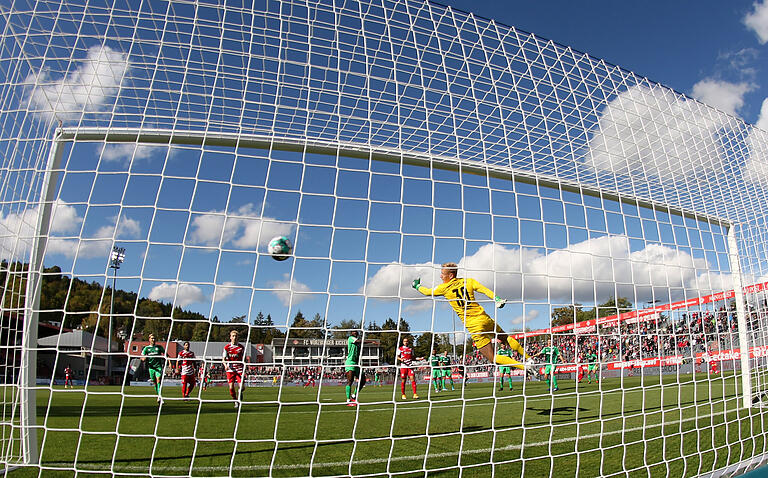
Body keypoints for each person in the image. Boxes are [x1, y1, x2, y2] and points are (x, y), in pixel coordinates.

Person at [413, 263, 533, 375]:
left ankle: (524, 366)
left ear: (451, 275)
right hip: (485, 318)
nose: (440, 276)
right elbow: (484, 290)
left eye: (442, 274)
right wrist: (496, 298)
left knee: (493, 358)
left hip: (475, 326)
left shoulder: (444, 288)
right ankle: (529, 358)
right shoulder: (468, 281)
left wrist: (417, 286)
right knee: (505, 338)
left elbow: (428, 292)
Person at [345, 330, 368, 406]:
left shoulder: (357, 344)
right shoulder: (351, 338)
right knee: (350, 381)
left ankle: (354, 395)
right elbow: (358, 341)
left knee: (363, 380)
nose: (355, 333)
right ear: (351, 333)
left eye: (356, 332)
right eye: (353, 332)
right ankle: (348, 400)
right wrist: (371, 341)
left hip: (356, 364)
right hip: (350, 363)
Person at [223, 330, 245, 407]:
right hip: (230, 369)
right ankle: (235, 400)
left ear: (238, 337)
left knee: (242, 387)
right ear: (230, 337)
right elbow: (223, 359)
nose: (234, 337)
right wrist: (225, 365)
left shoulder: (241, 347)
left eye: (236, 336)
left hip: (239, 368)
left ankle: (240, 391)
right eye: (233, 336)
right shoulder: (226, 347)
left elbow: (243, 358)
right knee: (231, 387)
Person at [141, 334, 165, 403]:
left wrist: (169, 362)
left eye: (154, 338)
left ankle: (160, 397)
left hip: (158, 367)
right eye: (152, 338)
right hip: (151, 368)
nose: (153, 340)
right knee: (155, 383)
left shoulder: (159, 347)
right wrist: (144, 358)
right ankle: (158, 396)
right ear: (149, 339)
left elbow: (166, 354)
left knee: (158, 380)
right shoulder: (146, 348)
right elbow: (142, 357)